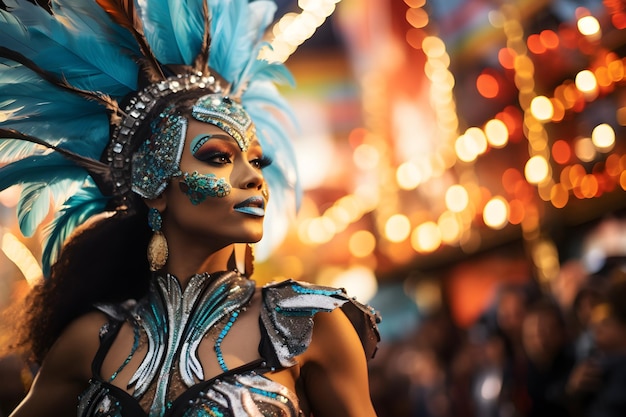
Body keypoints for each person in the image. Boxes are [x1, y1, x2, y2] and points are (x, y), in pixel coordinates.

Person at [0, 0, 381, 416]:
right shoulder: (91, 341)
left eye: (256, 161)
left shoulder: (307, 325)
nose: (253, 177)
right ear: (153, 184)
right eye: (218, 158)